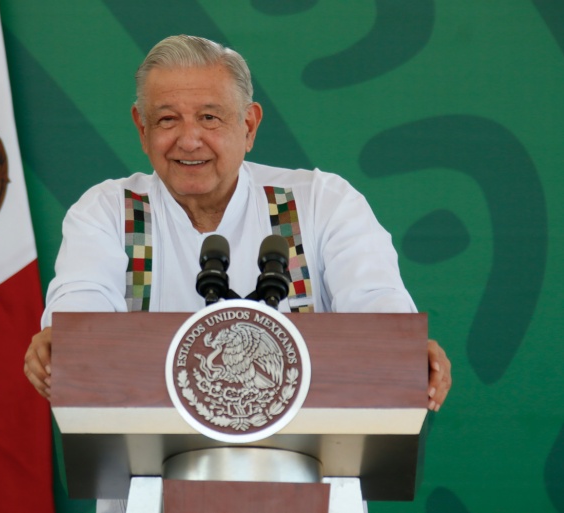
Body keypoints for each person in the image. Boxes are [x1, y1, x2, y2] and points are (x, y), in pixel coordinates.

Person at [24, 35, 451, 414]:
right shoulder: (106, 211)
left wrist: (405, 353)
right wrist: (61, 342)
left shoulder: (321, 201)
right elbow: (79, 319)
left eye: (210, 118)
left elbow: (378, 312)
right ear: (141, 127)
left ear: (248, 126)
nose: (189, 140)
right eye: (168, 119)